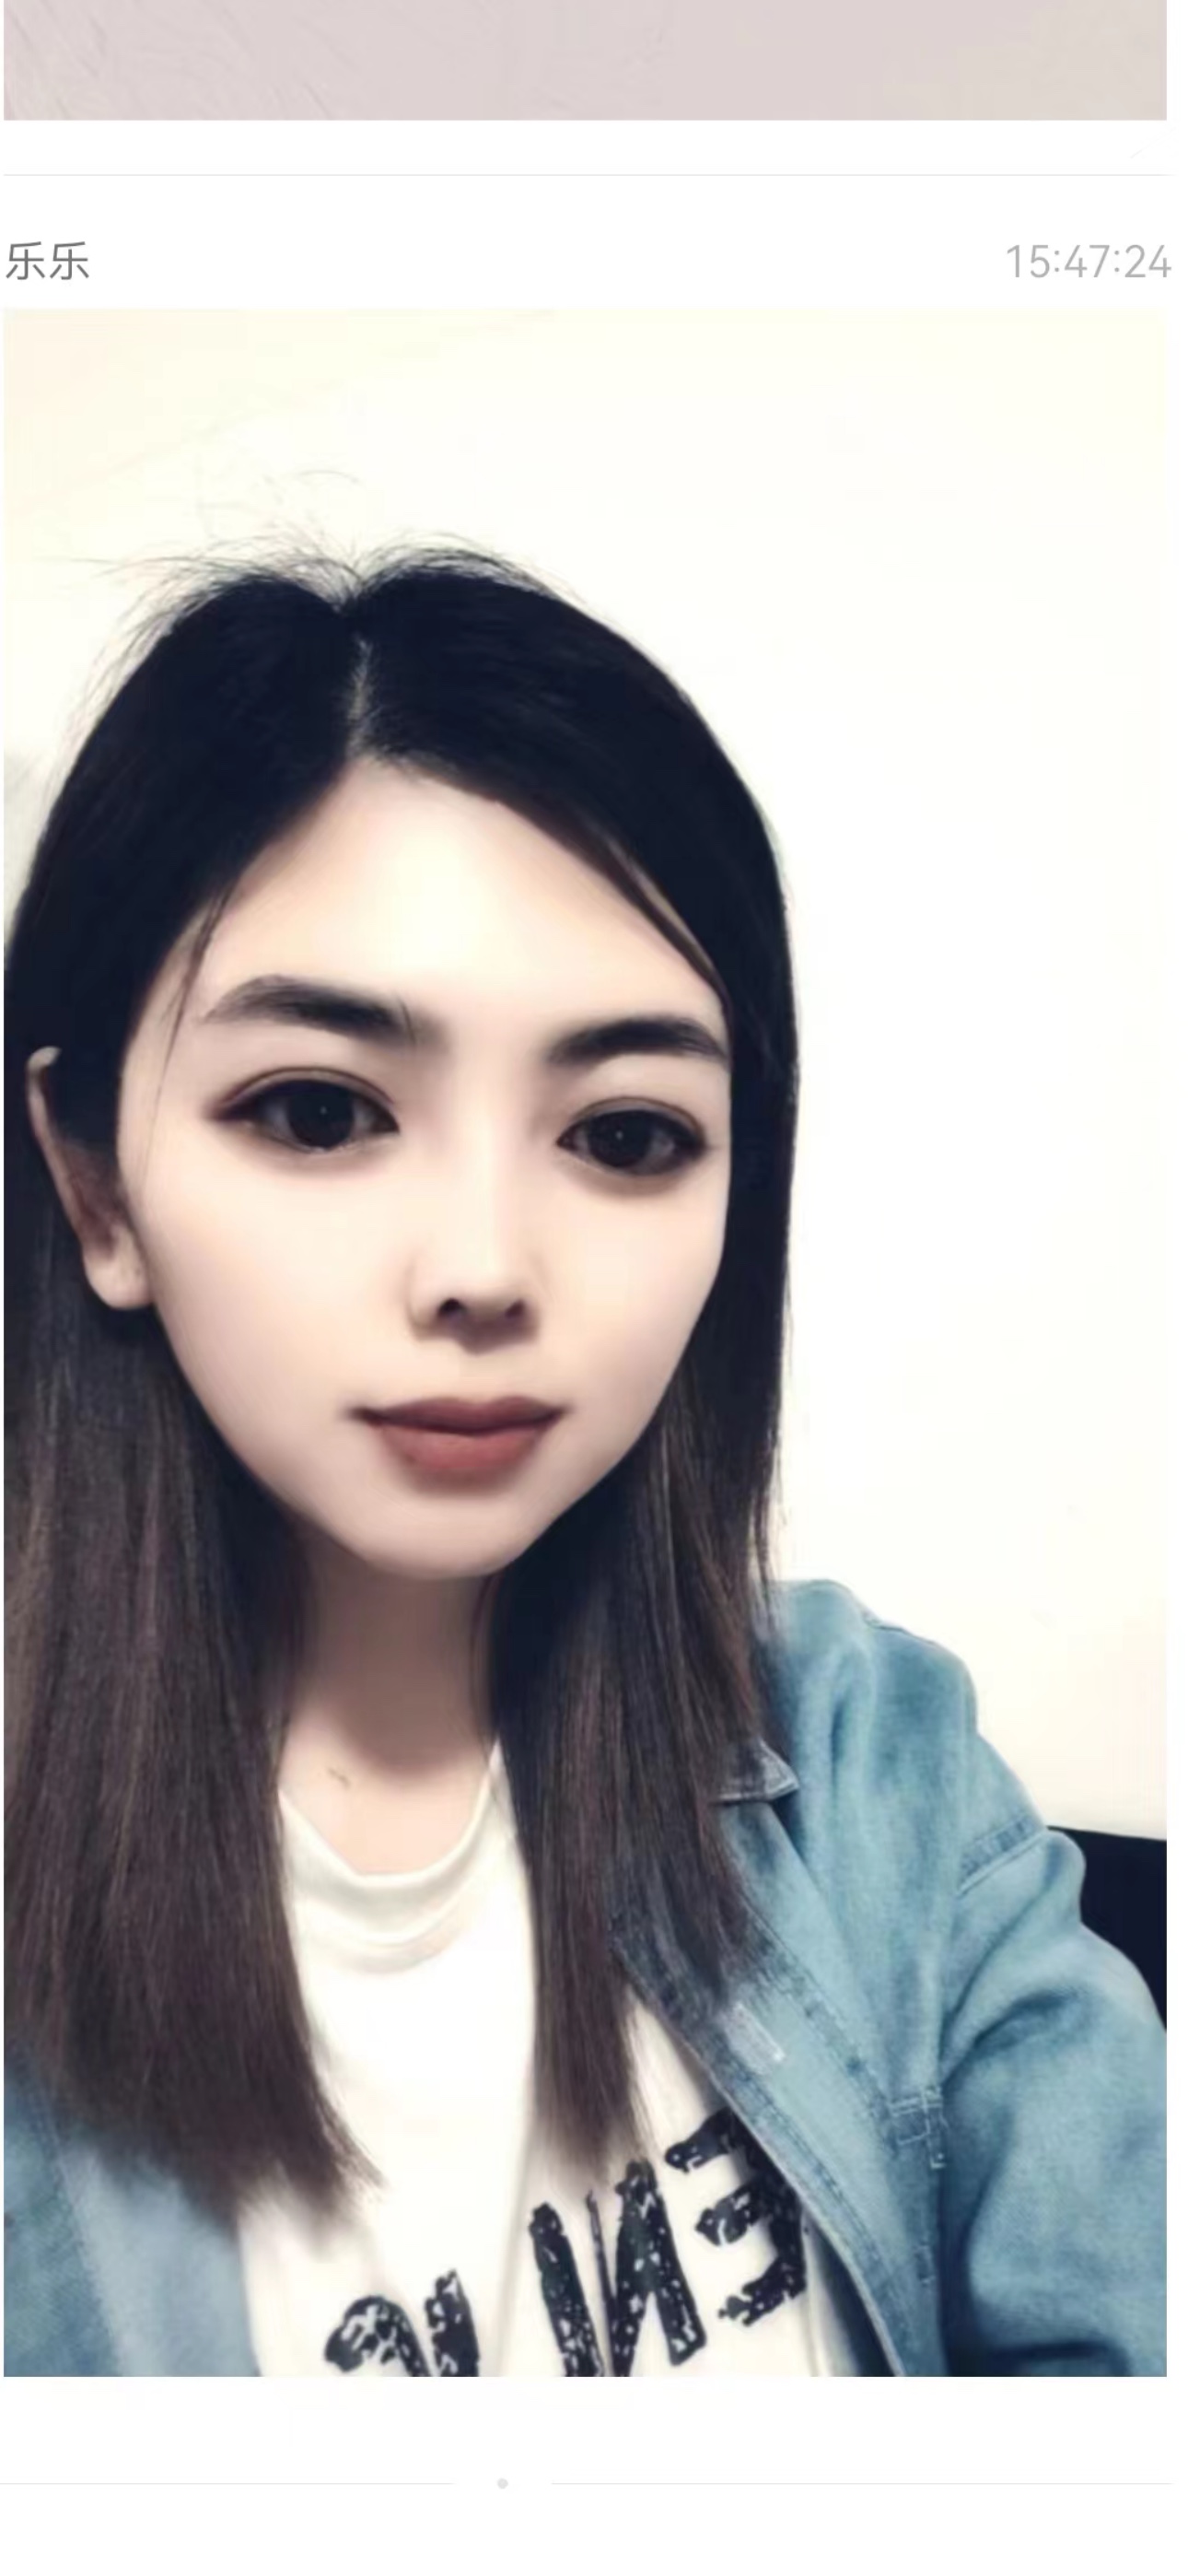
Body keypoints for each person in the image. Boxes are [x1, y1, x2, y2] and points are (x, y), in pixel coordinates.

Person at [4, 548, 1165, 2378]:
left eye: (626, 1134)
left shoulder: (875, 1761)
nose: (483, 1267)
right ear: (94, 1186)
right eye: (318, 1110)